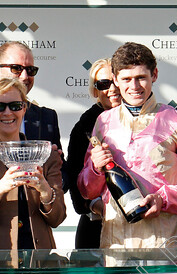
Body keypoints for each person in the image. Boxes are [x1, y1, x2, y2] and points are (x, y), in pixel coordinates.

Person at [78, 42, 177, 248]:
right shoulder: (103, 121)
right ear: (115, 80)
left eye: (141, 78)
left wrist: (163, 200)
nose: (134, 86)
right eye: (127, 79)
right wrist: (94, 168)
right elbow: (87, 190)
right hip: (115, 245)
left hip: (163, 246)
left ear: (154, 75)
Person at [0, 78, 65, 249]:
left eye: (15, 106)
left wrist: (45, 190)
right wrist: (0, 188)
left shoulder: (45, 155)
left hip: (38, 262)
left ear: (24, 108)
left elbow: (58, 218)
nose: (7, 112)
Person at [62, 58, 121, 248]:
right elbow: (73, 175)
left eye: (116, 81)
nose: (112, 88)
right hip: (96, 225)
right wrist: (94, 205)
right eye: (104, 84)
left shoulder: (146, 118)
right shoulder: (84, 127)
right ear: (95, 91)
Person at [0, 42, 62, 152]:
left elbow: (62, 167)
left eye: (30, 70)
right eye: (16, 68)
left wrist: (53, 164)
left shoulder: (47, 117)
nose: (24, 77)